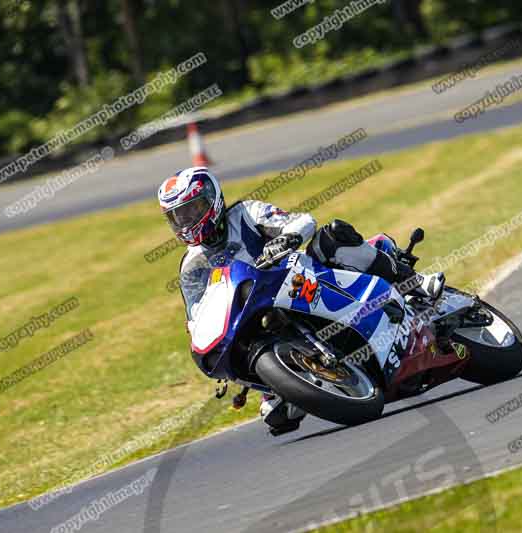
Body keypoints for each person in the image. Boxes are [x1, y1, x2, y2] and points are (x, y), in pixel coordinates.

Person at [158, 167, 445, 435]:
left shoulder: (245, 213)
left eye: (192, 210)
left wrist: (287, 238)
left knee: (331, 237)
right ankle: (293, 376)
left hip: (297, 279)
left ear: (212, 200)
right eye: (178, 217)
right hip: (258, 317)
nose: (187, 222)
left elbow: (302, 221)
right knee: (277, 417)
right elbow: (197, 315)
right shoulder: (192, 267)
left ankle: (414, 284)